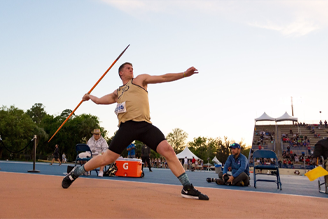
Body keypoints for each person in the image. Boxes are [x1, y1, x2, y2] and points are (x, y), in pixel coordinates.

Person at [61, 63, 209, 200]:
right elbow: (100, 100)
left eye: (132, 67)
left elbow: (163, 77)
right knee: (108, 158)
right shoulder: (117, 92)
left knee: (168, 149)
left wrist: (183, 74)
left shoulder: (140, 80)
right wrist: (89, 96)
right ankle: (76, 172)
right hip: (127, 127)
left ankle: (187, 187)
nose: (131, 69)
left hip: (145, 125)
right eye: (128, 68)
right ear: (121, 73)